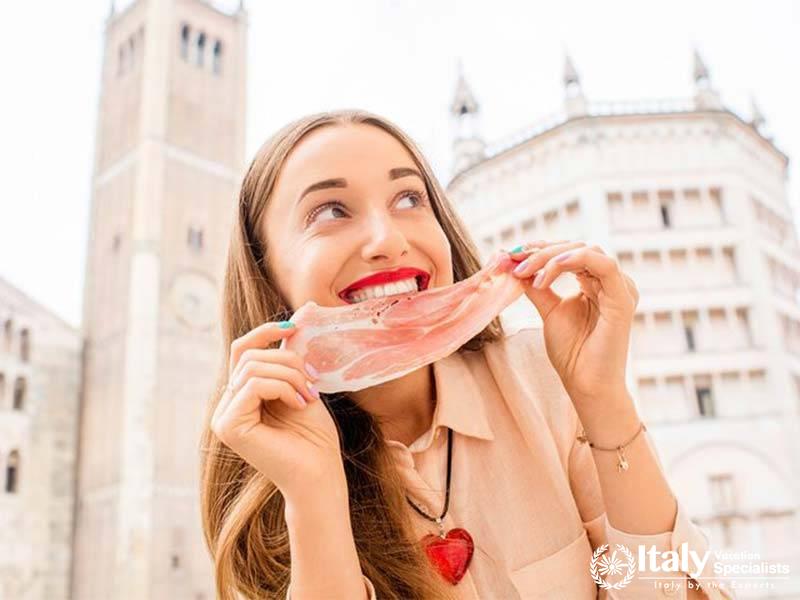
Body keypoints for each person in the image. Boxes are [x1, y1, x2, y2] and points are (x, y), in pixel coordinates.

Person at [199, 109, 734, 599]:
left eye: (409, 199)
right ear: (266, 276)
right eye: (330, 211)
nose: (388, 239)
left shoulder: (538, 380)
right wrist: (314, 497)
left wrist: (602, 399)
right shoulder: (264, 476)